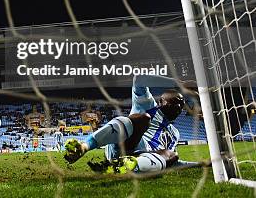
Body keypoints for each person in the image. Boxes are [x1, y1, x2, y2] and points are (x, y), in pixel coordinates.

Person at [64, 74, 201, 174]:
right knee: (143, 119)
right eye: (172, 101)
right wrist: (179, 82)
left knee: (172, 154)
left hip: (146, 158)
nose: (177, 105)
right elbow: (139, 79)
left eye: (180, 104)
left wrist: (203, 164)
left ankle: (123, 166)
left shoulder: (174, 133)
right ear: (161, 101)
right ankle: (84, 146)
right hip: (125, 144)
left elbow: (172, 161)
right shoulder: (148, 105)